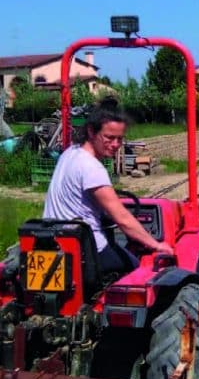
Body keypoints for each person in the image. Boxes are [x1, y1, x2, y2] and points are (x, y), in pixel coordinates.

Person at [43, 100, 166, 274]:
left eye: (120, 139)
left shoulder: (70, 153)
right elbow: (122, 218)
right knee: (140, 273)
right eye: (109, 137)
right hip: (88, 251)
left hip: (56, 242)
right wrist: (156, 244)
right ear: (92, 131)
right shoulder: (92, 167)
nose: (115, 144)